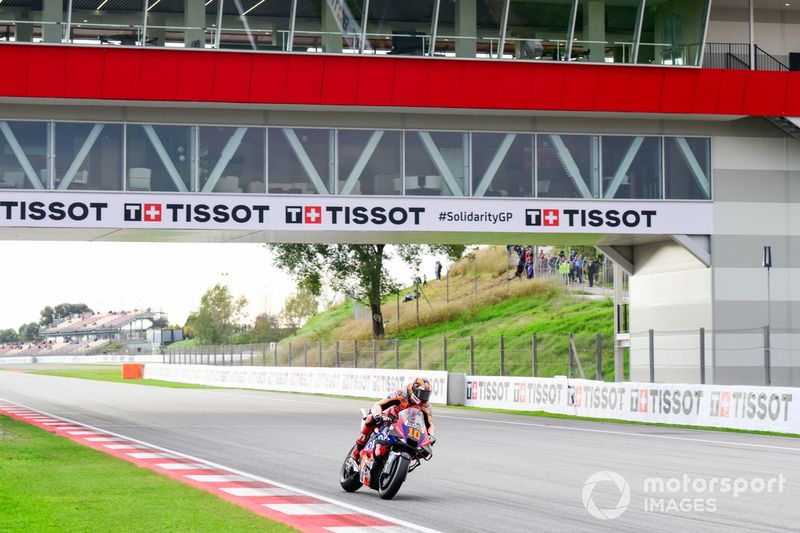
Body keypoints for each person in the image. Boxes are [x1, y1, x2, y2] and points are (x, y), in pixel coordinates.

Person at [351, 377, 436, 460]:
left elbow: (429, 425)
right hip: (389, 419)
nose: (424, 398)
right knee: (370, 419)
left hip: (407, 428)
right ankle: (357, 449)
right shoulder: (401, 394)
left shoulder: (426, 407)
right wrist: (377, 414)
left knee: (425, 451)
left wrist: (430, 436)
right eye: (422, 394)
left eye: (426, 395)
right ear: (413, 389)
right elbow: (379, 404)